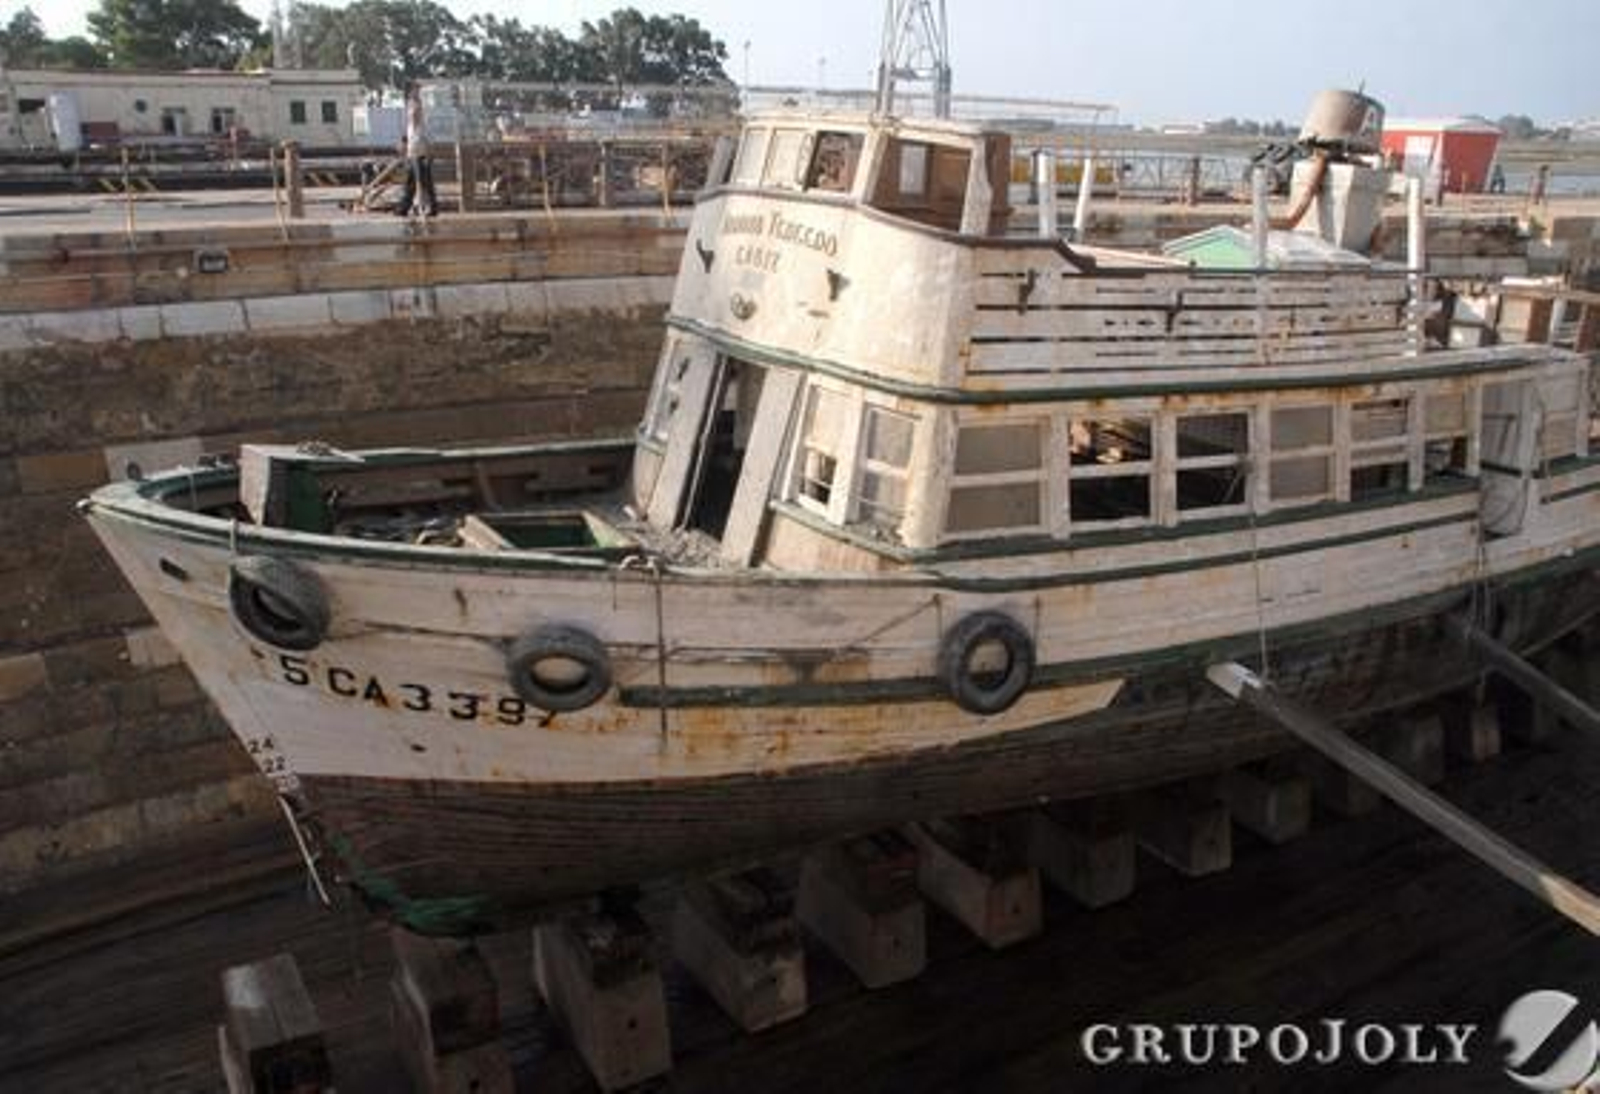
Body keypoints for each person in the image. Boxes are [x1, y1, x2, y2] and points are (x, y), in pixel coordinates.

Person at [395, 84, 437, 217]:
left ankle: (430, 207)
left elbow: (428, 136)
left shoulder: (424, 120)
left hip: (421, 152)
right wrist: (403, 143)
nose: (413, 113)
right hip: (412, 152)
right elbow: (408, 131)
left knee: (424, 182)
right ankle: (404, 208)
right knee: (410, 182)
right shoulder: (411, 119)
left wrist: (430, 151)